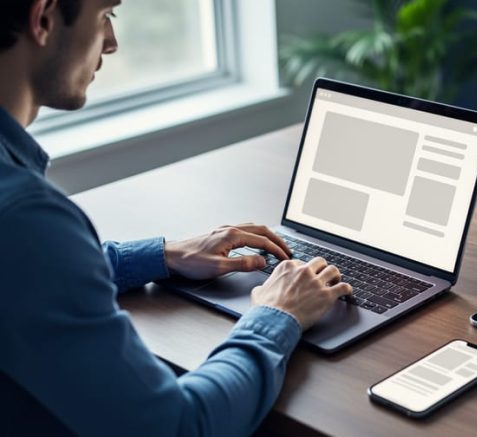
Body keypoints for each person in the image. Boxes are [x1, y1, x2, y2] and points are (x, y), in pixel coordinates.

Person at [0, 0, 352, 435]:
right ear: (44, 18)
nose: (111, 42)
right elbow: (180, 427)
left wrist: (162, 254)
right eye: (105, 15)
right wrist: (278, 315)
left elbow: (30, 275)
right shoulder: (27, 219)